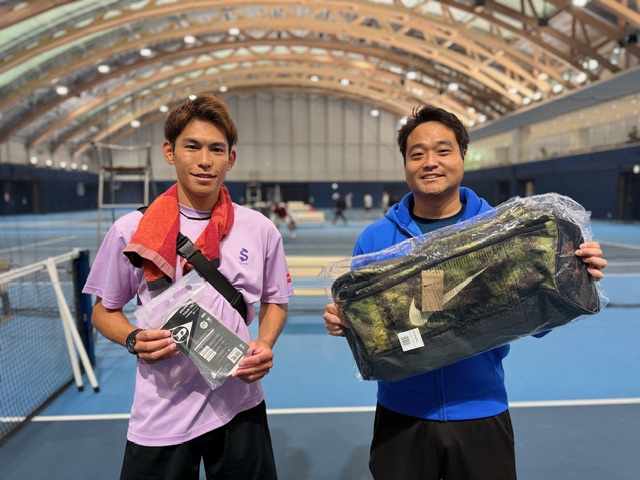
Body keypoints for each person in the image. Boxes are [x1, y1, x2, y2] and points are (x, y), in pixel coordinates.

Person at [323, 104, 607, 480]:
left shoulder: (505, 231)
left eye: (443, 150)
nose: (430, 162)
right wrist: (343, 321)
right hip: (401, 416)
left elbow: (538, 321)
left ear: (462, 156)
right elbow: (370, 329)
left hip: (482, 411)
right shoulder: (376, 239)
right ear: (405, 163)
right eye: (417, 154)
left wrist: (574, 275)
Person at [83, 93, 292, 480]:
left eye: (216, 149)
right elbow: (102, 311)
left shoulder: (259, 229)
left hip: (239, 405)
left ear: (230, 158)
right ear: (170, 152)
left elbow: (275, 301)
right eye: (192, 146)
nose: (205, 160)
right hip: (161, 412)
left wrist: (265, 342)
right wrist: (133, 338)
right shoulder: (131, 230)